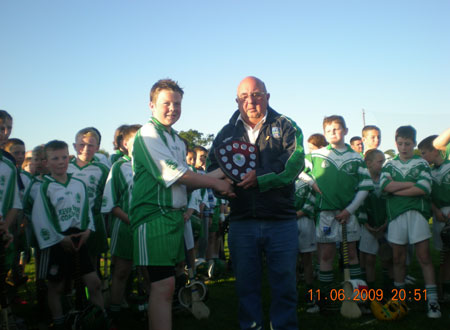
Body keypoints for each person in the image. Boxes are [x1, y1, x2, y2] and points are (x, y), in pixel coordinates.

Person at [129, 78, 233, 330]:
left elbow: (188, 182)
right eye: (166, 103)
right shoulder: (148, 134)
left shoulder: (175, 139)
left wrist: (226, 172)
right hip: (153, 218)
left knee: (168, 285)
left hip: (173, 218)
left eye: (177, 103)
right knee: (162, 286)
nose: (172, 108)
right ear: (151, 105)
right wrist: (218, 183)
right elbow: (178, 175)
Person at [207, 76, 305, 329]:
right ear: (237, 101)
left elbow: (294, 164)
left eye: (257, 94)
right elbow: (212, 169)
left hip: (280, 219)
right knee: (245, 284)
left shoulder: (286, 126)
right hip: (241, 221)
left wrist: (260, 178)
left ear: (267, 97)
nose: (251, 101)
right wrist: (223, 190)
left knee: (284, 283)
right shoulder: (226, 133)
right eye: (244, 96)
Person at [30, 140, 105, 329]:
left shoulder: (78, 183)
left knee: (94, 283)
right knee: (57, 286)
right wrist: (59, 238)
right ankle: (59, 322)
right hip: (58, 240)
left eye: (64, 157)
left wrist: (88, 230)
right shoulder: (46, 187)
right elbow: (41, 217)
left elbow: (86, 210)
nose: (61, 162)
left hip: (79, 237)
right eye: (55, 158)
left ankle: (100, 319)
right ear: (46, 163)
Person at [302, 115, 373, 312]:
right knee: (325, 255)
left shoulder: (357, 157)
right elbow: (296, 170)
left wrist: (349, 210)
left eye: (337, 129)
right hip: (326, 213)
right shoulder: (317, 155)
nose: (333, 133)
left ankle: (359, 299)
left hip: (348, 215)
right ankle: (326, 299)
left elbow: (365, 187)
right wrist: (311, 182)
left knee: (351, 254)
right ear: (324, 133)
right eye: (329, 130)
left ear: (346, 131)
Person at [381, 125, 441, 318]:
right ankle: (399, 300)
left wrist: (396, 190)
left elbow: (423, 188)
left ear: (414, 143)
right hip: (396, 215)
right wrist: (410, 185)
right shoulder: (389, 165)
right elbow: (384, 186)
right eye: (400, 143)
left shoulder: (421, 163)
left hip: (417, 214)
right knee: (398, 258)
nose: (403, 147)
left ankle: (432, 302)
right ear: (396, 143)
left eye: (407, 143)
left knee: (424, 257)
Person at [101, 124, 141, 326]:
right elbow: (110, 203)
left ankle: (148, 309)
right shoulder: (119, 167)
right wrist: (130, 219)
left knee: (148, 271)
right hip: (125, 226)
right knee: (122, 271)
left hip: (148, 228)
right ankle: (115, 311)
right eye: (136, 141)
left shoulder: (152, 165)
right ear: (125, 144)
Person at [68, 127, 110, 268]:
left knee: (92, 264)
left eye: (90, 145)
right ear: (75, 146)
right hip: (70, 223)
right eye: (82, 145)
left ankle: (92, 289)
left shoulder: (103, 170)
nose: (86, 149)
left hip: (94, 223)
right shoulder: (66, 168)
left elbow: (108, 195)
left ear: (97, 147)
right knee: (70, 265)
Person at [418, 135, 450, 302]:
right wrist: (436, 211)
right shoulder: (428, 172)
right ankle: (445, 290)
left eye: (424, 153)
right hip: (439, 216)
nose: (422, 157)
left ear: (435, 150)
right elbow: (427, 196)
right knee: (444, 255)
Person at [359, 149, 390, 290]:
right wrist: (366, 224)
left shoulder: (387, 179)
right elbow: (358, 204)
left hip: (385, 225)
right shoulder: (361, 180)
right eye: (380, 161)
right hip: (368, 226)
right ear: (369, 163)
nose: (383, 164)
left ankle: (387, 288)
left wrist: (386, 222)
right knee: (369, 259)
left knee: (388, 257)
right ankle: (370, 291)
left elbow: (391, 202)